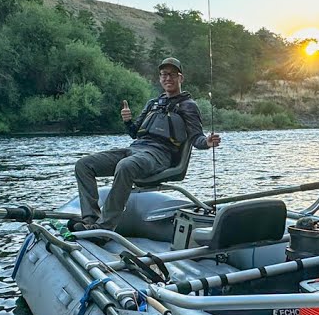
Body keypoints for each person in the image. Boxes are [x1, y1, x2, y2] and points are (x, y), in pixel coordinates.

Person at [73, 57, 222, 231]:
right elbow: (134, 133)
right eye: (164, 74)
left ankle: (104, 228)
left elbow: (196, 137)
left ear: (180, 78)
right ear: (160, 78)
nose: (168, 78)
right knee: (83, 165)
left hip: (159, 155)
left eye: (172, 74)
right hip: (134, 150)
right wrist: (127, 121)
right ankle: (90, 220)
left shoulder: (188, 106)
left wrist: (207, 142)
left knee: (125, 166)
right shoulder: (152, 103)